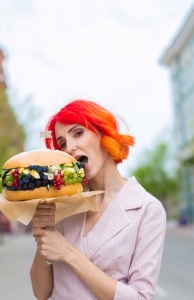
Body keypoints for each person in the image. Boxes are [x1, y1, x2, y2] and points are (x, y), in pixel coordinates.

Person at [30, 99, 166, 300]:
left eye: (78, 133)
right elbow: (41, 293)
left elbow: (140, 297)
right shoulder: (62, 204)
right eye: (62, 143)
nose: (70, 148)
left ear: (103, 133)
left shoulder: (147, 209)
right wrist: (44, 236)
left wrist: (68, 253)